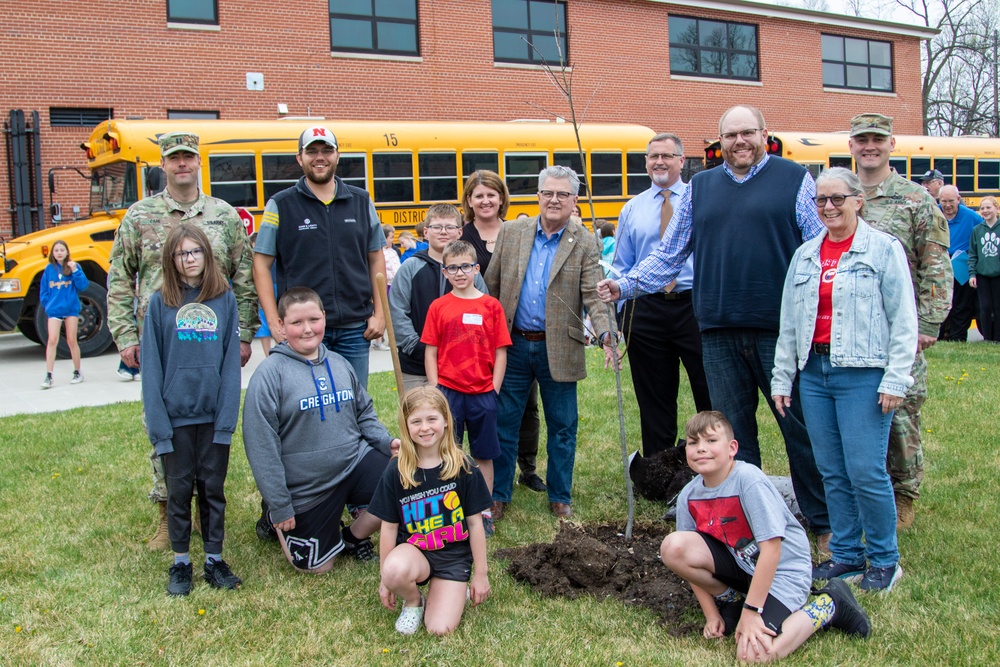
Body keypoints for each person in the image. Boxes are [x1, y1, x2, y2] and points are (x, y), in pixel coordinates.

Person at [597, 106, 830, 549]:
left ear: (764, 134)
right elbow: (670, 254)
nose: (739, 142)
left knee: (798, 427)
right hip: (718, 330)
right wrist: (625, 285)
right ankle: (753, 526)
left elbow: (818, 247)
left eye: (747, 133)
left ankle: (822, 524)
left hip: (778, 331)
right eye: (730, 135)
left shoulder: (794, 180)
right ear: (718, 140)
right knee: (735, 435)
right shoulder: (700, 188)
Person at [107, 131, 258, 551]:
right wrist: (123, 335)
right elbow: (120, 277)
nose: (182, 164)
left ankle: (200, 513)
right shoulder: (140, 215)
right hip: (161, 341)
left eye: (188, 157)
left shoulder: (224, 215)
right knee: (163, 425)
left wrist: (244, 334)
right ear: (163, 164)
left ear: (198, 162)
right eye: (174, 158)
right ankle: (166, 512)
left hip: (211, 339)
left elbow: (243, 279)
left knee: (209, 424)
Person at [771, 167, 916, 593]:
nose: (829, 207)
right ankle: (848, 555)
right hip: (814, 373)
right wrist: (783, 378)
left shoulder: (882, 250)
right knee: (831, 469)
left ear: (858, 201)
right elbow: (790, 323)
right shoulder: (806, 254)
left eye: (837, 198)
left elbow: (903, 320)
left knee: (866, 470)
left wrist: (895, 379)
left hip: (863, 374)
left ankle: (885, 560)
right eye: (821, 200)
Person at [660, 411, 870, 663]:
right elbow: (686, 560)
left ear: (732, 448)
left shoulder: (749, 481)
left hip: (783, 572)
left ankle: (828, 605)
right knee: (673, 546)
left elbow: (772, 549)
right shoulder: (689, 495)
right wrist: (711, 614)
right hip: (744, 567)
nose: (701, 449)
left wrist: (751, 612)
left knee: (753, 655)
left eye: (711, 441)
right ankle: (730, 601)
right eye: (693, 443)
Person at [485, 165, 615, 519]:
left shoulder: (585, 240)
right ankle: (498, 495)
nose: (554, 200)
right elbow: (491, 287)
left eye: (562, 194)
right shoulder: (512, 232)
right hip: (511, 345)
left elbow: (594, 295)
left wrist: (606, 335)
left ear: (574, 200)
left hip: (559, 347)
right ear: (538, 196)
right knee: (504, 422)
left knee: (563, 426)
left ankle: (560, 495)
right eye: (548, 193)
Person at [242, 287, 400, 573]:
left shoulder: (339, 363)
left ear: (324, 318)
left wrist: (387, 443)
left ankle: (353, 536)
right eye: (296, 323)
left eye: (313, 320)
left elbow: (363, 413)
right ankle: (271, 517)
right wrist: (280, 505)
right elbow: (261, 446)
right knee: (316, 568)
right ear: (280, 325)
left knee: (405, 475)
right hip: (307, 486)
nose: (307, 329)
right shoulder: (269, 375)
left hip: (352, 463)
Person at [847, 112, 952, 529]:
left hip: (898, 327)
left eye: (877, 139)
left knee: (902, 414)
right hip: (850, 328)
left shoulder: (915, 199)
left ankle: (904, 494)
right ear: (851, 146)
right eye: (861, 140)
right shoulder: (840, 194)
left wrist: (928, 324)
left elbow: (936, 266)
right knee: (857, 412)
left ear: (891, 145)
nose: (869, 146)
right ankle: (863, 493)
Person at [141, 224, 243, 596]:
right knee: (179, 492)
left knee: (213, 491)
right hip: (176, 421)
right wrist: (160, 428)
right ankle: (181, 562)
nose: (190, 259)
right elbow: (151, 369)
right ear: (172, 259)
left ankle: (214, 559)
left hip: (213, 419)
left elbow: (231, 365)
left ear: (207, 255)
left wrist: (226, 420)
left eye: (196, 251)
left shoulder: (224, 300)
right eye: (182, 253)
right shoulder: (160, 303)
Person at [253, 125, 386, 390]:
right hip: (304, 329)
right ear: (299, 158)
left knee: (354, 403)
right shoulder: (280, 204)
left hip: (354, 328)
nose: (320, 157)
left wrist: (380, 314)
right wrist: (273, 321)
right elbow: (261, 264)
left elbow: (376, 259)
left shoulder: (362, 201)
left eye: (327, 150)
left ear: (337, 156)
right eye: (311, 151)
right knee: (307, 403)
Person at [611, 132, 711, 457]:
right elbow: (622, 266)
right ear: (646, 162)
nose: (659, 162)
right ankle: (659, 468)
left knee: (710, 390)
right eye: (653, 156)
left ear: (682, 161)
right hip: (647, 310)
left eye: (667, 155)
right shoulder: (632, 209)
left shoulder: (701, 200)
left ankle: (719, 464)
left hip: (694, 307)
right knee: (654, 398)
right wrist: (621, 320)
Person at [368, 387, 492, 636]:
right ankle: (414, 602)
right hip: (415, 552)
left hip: (453, 558)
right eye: (416, 421)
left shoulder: (464, 467)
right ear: (406, 426)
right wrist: (385, 579)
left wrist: (481, 574)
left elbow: (475, 524)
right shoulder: (397, 471)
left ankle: (452, 592)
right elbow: (389, 528)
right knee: (393, 570)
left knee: (439, 628)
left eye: (431, 419)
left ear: (446, 421)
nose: (425, 428)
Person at [460, 170, 545, 494]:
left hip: (517, 332)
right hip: (475, 337)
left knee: (528, 404)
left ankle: (529, 467)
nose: (485, 201)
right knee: (489, 403)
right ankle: (488, 470)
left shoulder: (517, 232)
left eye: (491, 195)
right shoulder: (462, 237)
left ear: (501, 199)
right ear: (469, 200)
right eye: (479, 195)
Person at [422, 240, 512, 534]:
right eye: (452, 268)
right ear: (445, 271)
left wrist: (494, 388)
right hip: (448, 392)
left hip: (482, 393)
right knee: (449, 452)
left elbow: (500, 351)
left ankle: (483, 509)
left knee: (484, 453)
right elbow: (431, 351)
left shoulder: (490, 306)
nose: (459, 273)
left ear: (476, 268)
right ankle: (451, 508)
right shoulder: (438, 307)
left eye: (465, 267)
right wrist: (436, 388)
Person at [390, 205, 488, 392]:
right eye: (437, 227)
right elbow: (397, 311)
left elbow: (484, 310)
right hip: (417, 368)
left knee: (458, 420)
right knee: (421, 416)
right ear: (425, 232)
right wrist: (417, 348)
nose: (443, 232)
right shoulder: (410, 268)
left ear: (460, 232)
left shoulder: (470, 270)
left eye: (450, 227)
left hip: (462, 366)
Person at [39, 239, 88, 389]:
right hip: (55, 310)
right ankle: (49, 375)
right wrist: (48, 305)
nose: (59, 253)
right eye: (56, 250)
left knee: (71, 340)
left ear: (67, 252)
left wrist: (75, 271)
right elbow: (44, 291)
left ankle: (77, 371)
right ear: (52, 253)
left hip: (71, 309)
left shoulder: (74, 266)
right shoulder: (49, 269)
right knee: (52, 340)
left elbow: (83, 286)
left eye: (62, 250)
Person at [937, 185, 981, 342]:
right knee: (938, 303)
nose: (947, 205)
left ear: (958, 199)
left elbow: (983, 233)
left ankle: (958, 337)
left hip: (961, 267)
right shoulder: (933, 213)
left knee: (962, 304)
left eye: (951, 201)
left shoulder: (971, 217)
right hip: (938, 267)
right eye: (943, 201)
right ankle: (938, 336)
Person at [969, 196, 1000, 341]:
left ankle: (998, 338)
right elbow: (973, 253)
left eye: (989, 208)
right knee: (985, 307)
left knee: (998, 307)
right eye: (983, 208)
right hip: (982, 274)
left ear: (997, 209)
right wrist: (972, 274)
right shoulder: (977, 230)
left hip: (998, 274)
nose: (985, 211)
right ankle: (987, 338)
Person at [372, 225, 401, 352]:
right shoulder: (379, 253)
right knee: (383, 312)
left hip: (394, 285)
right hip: (385, 285)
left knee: (393, 313)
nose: (392, 240)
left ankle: (392, 339)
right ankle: (378, 340)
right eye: (391, 237)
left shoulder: (393, 252)